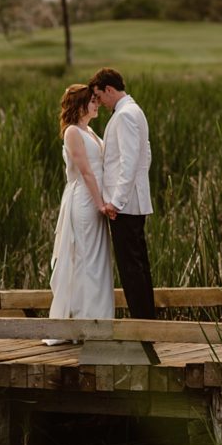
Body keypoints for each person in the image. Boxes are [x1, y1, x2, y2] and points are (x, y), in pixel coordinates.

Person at [44, 84, 114, 344]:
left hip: (95, 200)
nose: (97, 105)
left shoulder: (90, 131)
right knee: (85, 258)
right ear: (81, 105)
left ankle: (99, 321)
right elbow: (85, 172)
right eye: (92, 101)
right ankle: (84, 323)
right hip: (84, 202)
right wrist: (100, 204)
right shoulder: (73, 132)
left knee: (98, 260)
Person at [88, 67, 156, 320]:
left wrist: (116, 201)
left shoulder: (125, 115)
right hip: (133, 201)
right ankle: (147, 321)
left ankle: (143, 324)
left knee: (131, 268)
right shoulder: (134, 111)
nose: (100, 102)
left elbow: (129, 161)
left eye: (99, 96)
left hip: (125, 206)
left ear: (109, 89)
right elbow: (145, 155)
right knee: (138, 265)